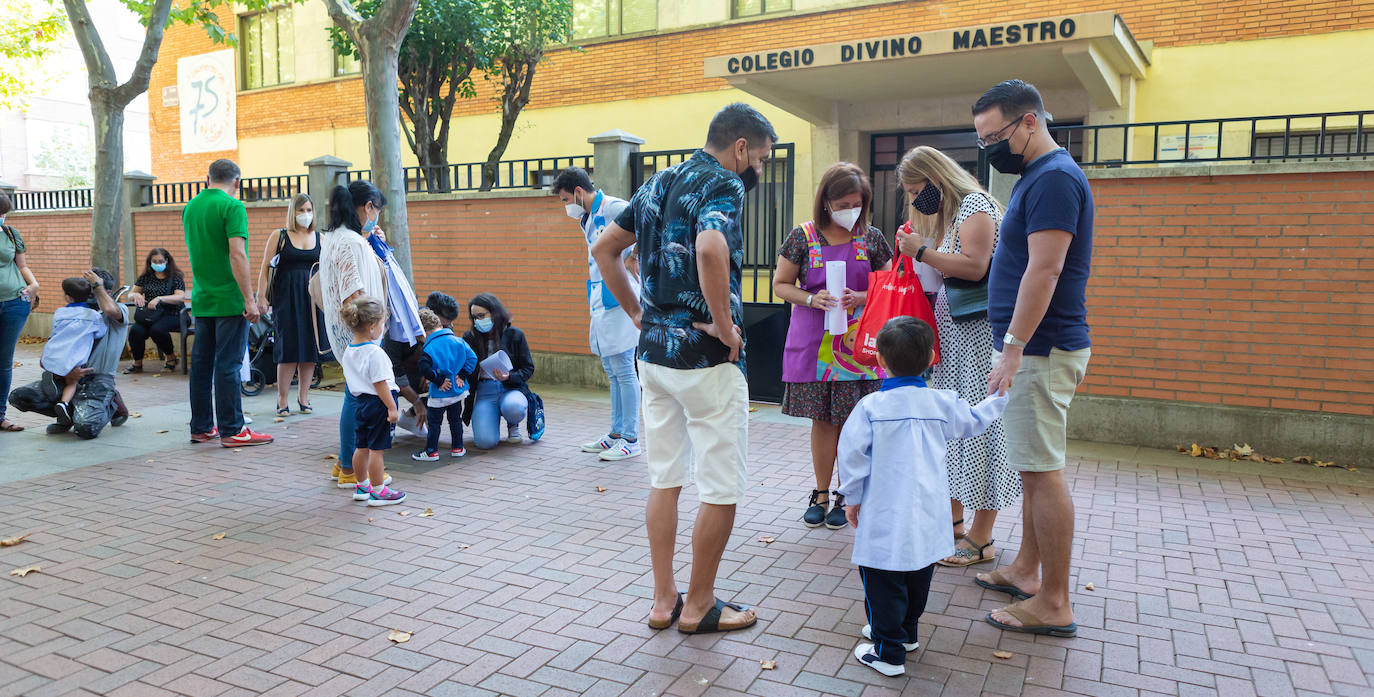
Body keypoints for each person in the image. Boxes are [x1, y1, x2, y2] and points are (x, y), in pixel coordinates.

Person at [591, 102, 775, 635]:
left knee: (665, 479)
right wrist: (723, 325)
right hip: (705, 359)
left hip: (652, 356)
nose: (759, 168)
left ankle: (663, 600)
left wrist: (635, 311)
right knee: (720, 486)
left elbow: (606, 250)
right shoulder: (724, 182)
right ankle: (699, 606)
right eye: (760, 158)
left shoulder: (657, 183)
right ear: (741, 148)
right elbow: (711, 245)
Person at [971, 79, 1094, 638]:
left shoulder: (1055, 179)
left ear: (1028, 123)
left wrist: (1015, 347)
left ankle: (1054, 602)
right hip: (1033, 347)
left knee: (1043, 474)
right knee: (1032, 468)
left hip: (1040, 349)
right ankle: (1026, 570)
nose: (988, 147)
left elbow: (1044, 270)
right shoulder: (1035, 177)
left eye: (994, 135)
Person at [837, 316, 1007, 676]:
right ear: (932, 357)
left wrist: (851, 498)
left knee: (882, 580)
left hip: (883, 511)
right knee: (918, 574)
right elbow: (975, 420)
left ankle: (887, 651)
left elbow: (852, 458)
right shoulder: (942, 403)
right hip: (929, 512)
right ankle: (906, 632)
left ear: (880, 360)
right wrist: (999, 397)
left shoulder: (870, 408)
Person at [894, 146, 1015, 568]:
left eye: (916, 189)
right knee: (956, 428)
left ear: (935, 177)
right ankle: (955, 524)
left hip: (977, 338)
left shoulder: (975, 204)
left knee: (980, 428)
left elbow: (975, 265)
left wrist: (921, 252)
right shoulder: (954, 214)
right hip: (956, 341)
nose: (914, 199)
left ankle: (981, 537)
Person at [772, 162, 893, 530]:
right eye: (843, 203)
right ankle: (821, 493)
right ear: (826, 201)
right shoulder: (802, 236)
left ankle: (847, 493)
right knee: (823, 421)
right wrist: (812, 299)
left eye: (857, 203)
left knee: (856, 424)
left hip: (860, 349)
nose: (850, 211)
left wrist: (863, 295)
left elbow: (891, 283)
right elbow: (780, 284)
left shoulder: (871, 238)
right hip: (815, 346)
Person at [552, 166, 642, 462]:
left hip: (621, 298)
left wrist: (635, 259)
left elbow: (648, 226)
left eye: (565, 200)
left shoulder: (615, 207)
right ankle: (616, 433)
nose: (566, 207)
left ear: (579, 192)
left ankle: (631, 438)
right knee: (612, 369)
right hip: (602, 297)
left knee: (625, 369)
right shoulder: (588, 217)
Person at [183, 159, 273, 448]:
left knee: (201, 364)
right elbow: (238, 254)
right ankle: (233, 429)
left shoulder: (191, 207)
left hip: (202, 297)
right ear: (237, 182)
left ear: (207, 178)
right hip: (229, 298)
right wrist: (250, 299)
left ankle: (201, 427)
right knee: (229, 364)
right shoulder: (233, 207)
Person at [318, 180, 390, 491]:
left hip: (350, 333)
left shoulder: (337, 238)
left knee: (354, 395)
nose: (377, 218)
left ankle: (345, 463)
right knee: (358, 399)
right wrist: (370, 329)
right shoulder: (349, 242)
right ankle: (350, 468)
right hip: (359, 334)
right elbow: (354, 292)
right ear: (367, 207)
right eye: (377, 211)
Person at [9, 268, 131, 439]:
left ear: (106, 291)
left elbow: (112, 311)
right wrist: (66, 370)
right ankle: (66, 414)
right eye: (86, 288)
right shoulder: (70, 315)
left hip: (97, 380)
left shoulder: (118, 310)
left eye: (93, 289)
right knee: (19, 397)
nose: (89, 293)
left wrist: (98, 286)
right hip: (65, 376)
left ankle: (111, 403)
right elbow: (50, 353)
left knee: (85, 429)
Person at [254, 193, 323, 416]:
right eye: (301, 210)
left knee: (310, 348)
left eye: (309, 210)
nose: (305, 214)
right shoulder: (280, 236)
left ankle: (304, 396)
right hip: (286, 298)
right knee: (288, 348)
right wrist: (261, 296)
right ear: (293, 212)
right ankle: (282, 399)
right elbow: (265, 267)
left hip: (312, 300)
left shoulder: (321, 237)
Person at [337, 296, 405, 507]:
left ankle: (362, 485)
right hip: (378, 404)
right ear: (373, 326)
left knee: (362, 446)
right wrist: (392, 408)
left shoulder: (349, 351)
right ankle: (379, 490)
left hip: (360, 403)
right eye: (383, 323)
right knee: (377, 449)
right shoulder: (375, 353)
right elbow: (381, 384)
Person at [461, 293, 535, 450]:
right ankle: (490, 421)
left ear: (494, 313)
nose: (478, 321)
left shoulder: (515, 334)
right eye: (474, 317)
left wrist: (509, 377)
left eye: (481, 315)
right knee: (484, 442)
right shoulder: (470, 337)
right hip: (484, 391)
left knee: (514, 408)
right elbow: (463, 367)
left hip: (510, 388)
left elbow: (528, 368)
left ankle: (513, 423)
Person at [412, 307, 477, 461]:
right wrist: (462, 375)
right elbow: (472, 358)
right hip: (457, 391)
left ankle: (431, 451)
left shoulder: (429, 347)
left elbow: (424, 368)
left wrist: (438, 380)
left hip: (439, 394)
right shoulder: (458, 341)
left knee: (434, 422)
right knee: (455, 420)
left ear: (424, 332)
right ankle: (458, 448)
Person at [41, 277, 108, 424]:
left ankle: (54, 377)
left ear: (68, 297)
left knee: (58, 369)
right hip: (74, 358)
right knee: (72, 381)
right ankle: (63, 403)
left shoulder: (59, 313)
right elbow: (101, 333)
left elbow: (55, 331)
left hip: (54, 352)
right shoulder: (93, 316)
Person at [0, 194, 40, 433]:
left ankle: (0, 416)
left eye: (3, 213)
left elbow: (22, 265)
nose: (2, 217)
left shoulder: (10, 233)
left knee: (4, 362)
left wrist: (34, 284)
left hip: (15, 302)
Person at [124, 247, 187, 374]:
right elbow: (130, 294)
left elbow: (180, 297)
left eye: (160, 261)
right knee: (135, 331)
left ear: (167, 261)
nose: (158, 264)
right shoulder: (145, 277)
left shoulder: (175, 277)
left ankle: (171, 358)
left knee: (157, 330)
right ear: (150, 262)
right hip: (151, 314)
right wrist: (134, 295)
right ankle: (137, 363)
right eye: (155, 261)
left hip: (174, 314)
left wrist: (159, 299)